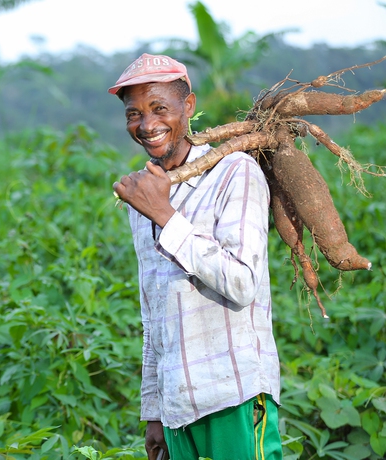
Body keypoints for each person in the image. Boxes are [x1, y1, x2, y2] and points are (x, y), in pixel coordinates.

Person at [109, 54, 283, 460]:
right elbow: (153, 313)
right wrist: (153, 411)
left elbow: (242, 283)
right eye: (134, 114)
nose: (147, 125)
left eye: (159, 109)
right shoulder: (143, 193)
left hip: (233, 394)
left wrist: (165, 216)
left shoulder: (234, 172)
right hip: (175, 409)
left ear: (187, 107)